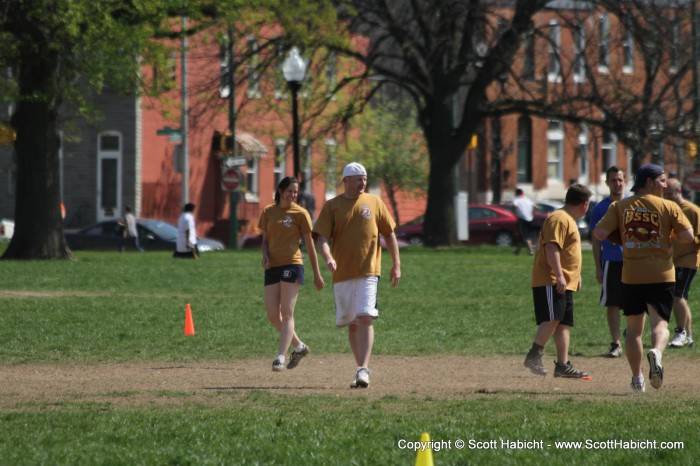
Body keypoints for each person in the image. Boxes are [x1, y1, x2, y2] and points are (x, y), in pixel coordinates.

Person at [593, 163, 693, 393]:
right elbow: (688, 237)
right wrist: (669, 233)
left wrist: (621, 236)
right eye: (662, 180)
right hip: (661, 273)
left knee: (633, 330)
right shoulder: (669, 206)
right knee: (660, 324)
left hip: (631, 275)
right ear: (649, 181)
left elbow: (599, 233)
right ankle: (657, 352)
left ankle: (637, 379)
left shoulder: (620, 206)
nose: (665, 185)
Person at [313, 162, 401, 388]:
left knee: (365, 317)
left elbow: (389, 234)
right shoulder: (333, 206)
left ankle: (364, 369)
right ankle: (359, 367)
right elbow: (320, 237)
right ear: (347, 181)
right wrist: (328, 258)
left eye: (365, 178)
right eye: (359, 178)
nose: (363, 182)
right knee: (352, 324)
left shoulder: (374, 202)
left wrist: (396, 264)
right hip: (342, 273)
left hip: (369, 270)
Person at [523, 184, 592, 379]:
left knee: (562, 323)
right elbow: (551, 247)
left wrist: (575, 275)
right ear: (585, 204)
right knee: (552, 319)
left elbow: (567, 252)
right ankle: (533, 355)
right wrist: (560, 275)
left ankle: (562, 365)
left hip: (564, 280)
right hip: (551, 279)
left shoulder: (566, 219)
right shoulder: (559, 219)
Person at [259, 177, 325, 371]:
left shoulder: (301, 214)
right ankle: (299, 347)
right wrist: (264, 255)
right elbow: (264, 241)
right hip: (272, 266)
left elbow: (310, 246)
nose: (293, 195)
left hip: (293, 265)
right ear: (280, 191)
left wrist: (317, 274)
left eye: (295, 192)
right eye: (289, 191)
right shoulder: (268, 212)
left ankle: (280, 356)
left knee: (287, 313)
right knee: (273, 316)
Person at [589, 167, 626, 357]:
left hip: (633, 261)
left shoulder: (633, 204)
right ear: (607, 183)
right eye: (613, 180)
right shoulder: (600, 208)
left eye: (620, 179)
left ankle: (633, 334)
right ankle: (616, 343)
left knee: (639, 302)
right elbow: (596, 240)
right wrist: (598, 266)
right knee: (612, 303)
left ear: (624, 181)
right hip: (610, 261)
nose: (617, 183)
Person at [663, 178, 698, 349]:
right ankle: (689, 336)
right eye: (665, 194)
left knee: (678, 296)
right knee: (680, 297)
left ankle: (680, 332)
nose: (667, 197)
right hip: (673, 260)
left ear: (679, 192)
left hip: (689, 258)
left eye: (669, 194)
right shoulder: (669, 211)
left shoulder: (692, 210)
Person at [513, 188, 536, 255]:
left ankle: (531, 251)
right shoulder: (527, 199)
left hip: (522, 219)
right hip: (530, 219)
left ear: (517, 193)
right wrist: (532, 214)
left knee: (525, 236)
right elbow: (535, 206)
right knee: (523, 236)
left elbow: (515, 206)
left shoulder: (517, 199)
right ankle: (517, 250)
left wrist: (514, 213)